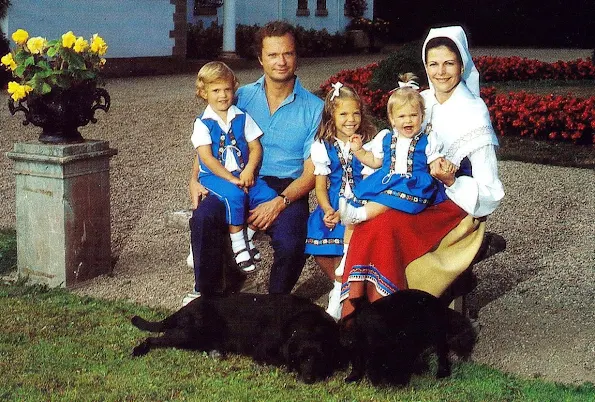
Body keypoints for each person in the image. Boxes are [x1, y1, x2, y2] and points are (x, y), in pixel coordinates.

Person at [340, 26, 505, 317]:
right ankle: (358, 314)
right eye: (434, 64)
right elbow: (393, 151)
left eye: (449, 63)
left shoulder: (473, 110)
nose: (441, 72)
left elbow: (489, 188)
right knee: (370, 223)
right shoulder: (420, 101)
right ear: (426, 66)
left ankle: (387, 314)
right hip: (412, 190)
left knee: (385, 227)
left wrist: (451, 179)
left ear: (462, 64)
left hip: (451, 200)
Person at [184, 21, 324, 306]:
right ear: (260, 59)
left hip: (285, 187)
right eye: (273, 55)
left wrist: (279, 203)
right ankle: (210, 303)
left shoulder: (314, 108)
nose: (281, 62)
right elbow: (208, 141)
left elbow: (313, 172)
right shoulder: (241, 96)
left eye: (287, 53)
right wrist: (194, 179)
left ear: (297, 56)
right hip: (235, 179)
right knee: (203, 218)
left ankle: (273, 307)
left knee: (292, 242)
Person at [191, 61, 277, 273]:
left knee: (268, 195)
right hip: (214, 176)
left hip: (241, 173)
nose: (223, 95)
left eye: (227, 89)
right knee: (235, 196)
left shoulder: (241, 116)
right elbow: (207, 159)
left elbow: (255, 147)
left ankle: (247, 236)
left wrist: (248, 170)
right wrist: (232, 179)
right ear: (204, 93)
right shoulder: (202, 123)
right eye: (216, 90)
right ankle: (238, 246)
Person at [338, 72, 455, 226]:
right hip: (388, 180)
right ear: (392, 119)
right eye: (402, 116)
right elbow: (374, 161)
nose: (408, 120)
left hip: (413, 184)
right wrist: (359, 150)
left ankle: (360, 214)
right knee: (374, 197)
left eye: (413, 115)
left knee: (389, 198)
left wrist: (446, 165)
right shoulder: (386, 138)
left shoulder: (428, 140)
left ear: (422, 116)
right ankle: (348, 247)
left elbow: (436, 161)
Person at [304, 82, 376, 319]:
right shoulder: (323, 145)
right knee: (320, 234)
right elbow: (320, 185)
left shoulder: (368, 142)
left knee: (351, 246)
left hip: (361, 200)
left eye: (356, 113)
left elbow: (373, 177)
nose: (350, 119)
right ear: (331, 115)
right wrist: (326, 208)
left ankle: (339, 293)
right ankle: (341, 284)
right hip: (334, 200)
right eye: (343, 114)